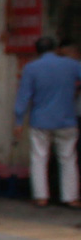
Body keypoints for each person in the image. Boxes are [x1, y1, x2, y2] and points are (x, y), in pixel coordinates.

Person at [13, 35, 81, 208]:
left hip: (40, 121)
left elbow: (23, 97)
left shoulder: (31, 68)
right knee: (68, 159)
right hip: (67, 120)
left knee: (39, 158)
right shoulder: (72, 65)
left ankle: (41, 197)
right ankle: (71, 198)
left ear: (37, 51)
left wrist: (19, 121)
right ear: (56, 49)